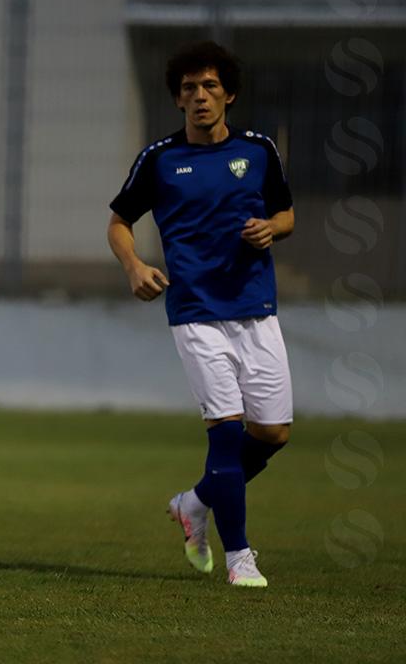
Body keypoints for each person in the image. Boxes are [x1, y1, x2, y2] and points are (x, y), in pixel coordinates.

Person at [107, 41, 295, 588]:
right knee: (225, 431)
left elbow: (285, 214)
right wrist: (134, 266)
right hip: (195, 312)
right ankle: (240, 558)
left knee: (274, 433)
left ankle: (194, 502)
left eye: (210, 86)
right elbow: (118, 222)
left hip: (257, 311)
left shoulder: (258, 151)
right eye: (189, 88)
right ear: (177, 99)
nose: (199, 97)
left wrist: (272, 229)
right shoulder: (160, 159)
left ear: (229, 94)